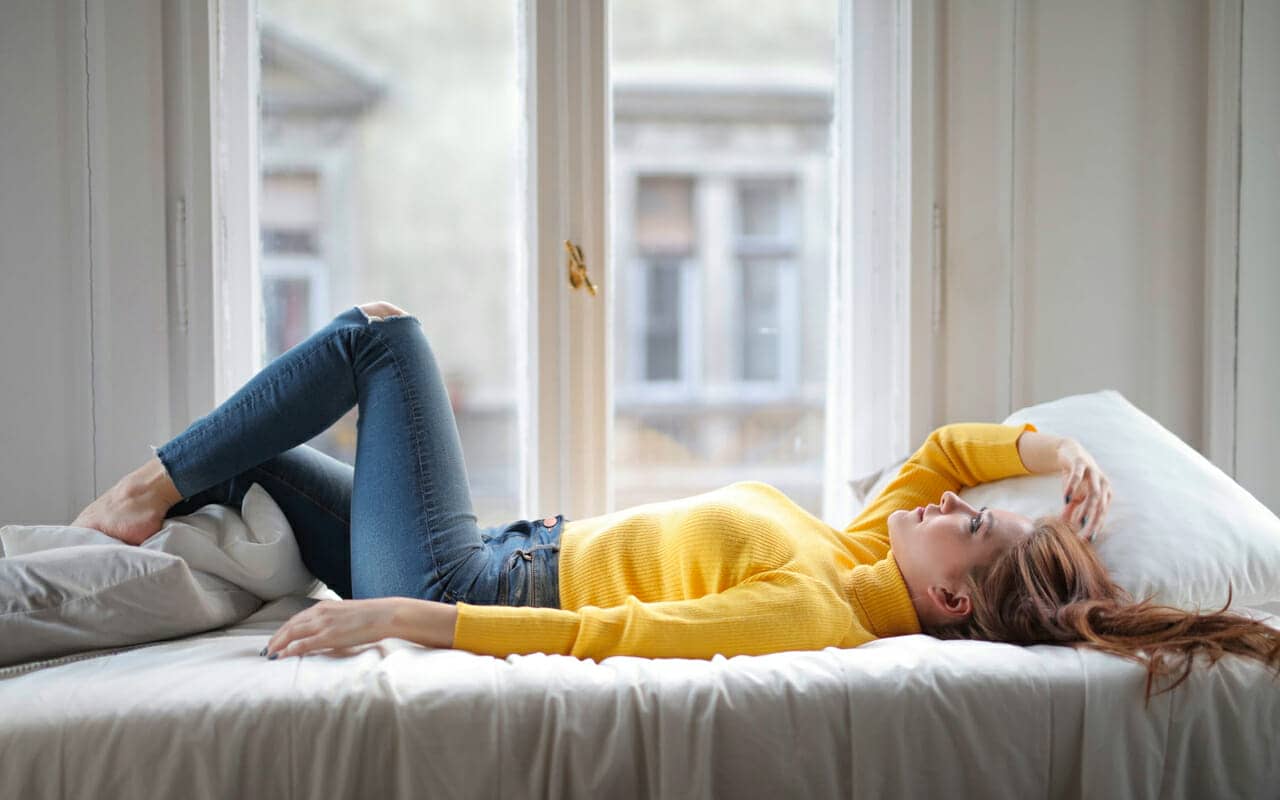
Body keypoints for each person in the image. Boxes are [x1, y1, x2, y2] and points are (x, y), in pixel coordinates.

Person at [73, 301, 1280, 705]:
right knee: (267, 463)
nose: (946, 498)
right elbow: (939, 452)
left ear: (951, 588)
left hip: (465, 577)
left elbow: (612, 637)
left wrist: (403, 614)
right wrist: (1054, 446)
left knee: (383, 338)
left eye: (967, 517)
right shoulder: (866, 546)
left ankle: (132, 499)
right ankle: (132, 543)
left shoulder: (813, 607)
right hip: (498, 541)